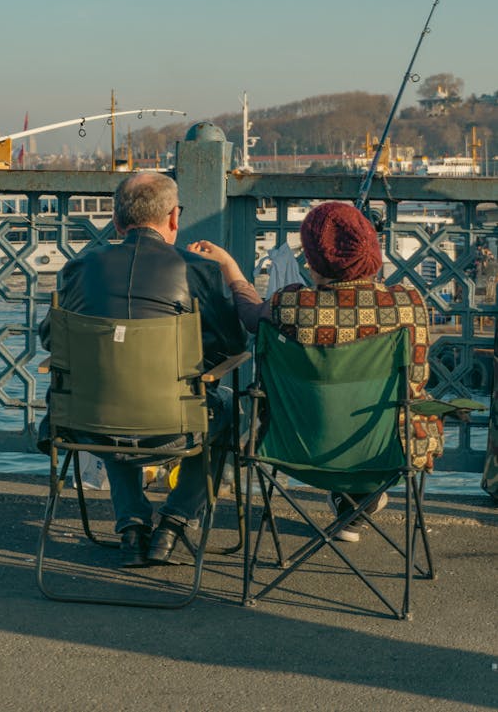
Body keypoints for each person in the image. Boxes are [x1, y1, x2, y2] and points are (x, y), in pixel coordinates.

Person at [189, 200, 444, 542]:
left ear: (312, 258)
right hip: (392, 451)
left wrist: (230, 267)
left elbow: (250, 315)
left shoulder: (291, 305)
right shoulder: (408, 304)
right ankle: (357, 501)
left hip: (297, 450)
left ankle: (353, 502)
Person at [37, 172, 247, 567]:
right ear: (173, 218)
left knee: (109, 391)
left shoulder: (79, 268)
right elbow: (232, 345)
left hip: (87, 422)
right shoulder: (198, 271)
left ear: (117, 222)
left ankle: (132, 526)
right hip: (173, 426)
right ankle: (176, 523)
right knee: (230, 412)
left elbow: (52, 339)